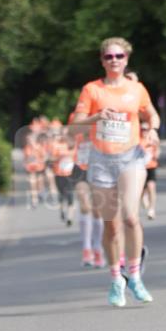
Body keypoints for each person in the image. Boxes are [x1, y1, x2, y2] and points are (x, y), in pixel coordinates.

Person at [71, 37, 160, 307]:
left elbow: (151, 115)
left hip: (131, 158)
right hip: (101, 160)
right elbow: (75, 125)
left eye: (119, 56)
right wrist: (96, 117)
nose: (114, 61)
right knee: (111, 223)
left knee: (131, 217)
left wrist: (153, 129)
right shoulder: (92, 90)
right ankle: (116, 280)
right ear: (102, 60)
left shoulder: (137, 89)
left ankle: (134, 275)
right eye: (109, 57)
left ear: (126, 59)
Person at [68, 110, 105, 268]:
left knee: (97, 210)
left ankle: (98, 248)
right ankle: (86, 249)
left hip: (99, 167)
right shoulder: (76, 116)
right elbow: (70, 136)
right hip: (80, 167)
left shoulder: (103, 114)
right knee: (85, 206)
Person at [140, 120, 160, 219]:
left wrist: (156, 154)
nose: (144, 131)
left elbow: (157, 150)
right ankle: (143, 196)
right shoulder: (137, 140)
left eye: (146, 129)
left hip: (151, 166)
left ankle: (152, 209)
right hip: (140, 168)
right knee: (142, 190)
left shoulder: (152, 139)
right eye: (142, 129)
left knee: (151, 186)